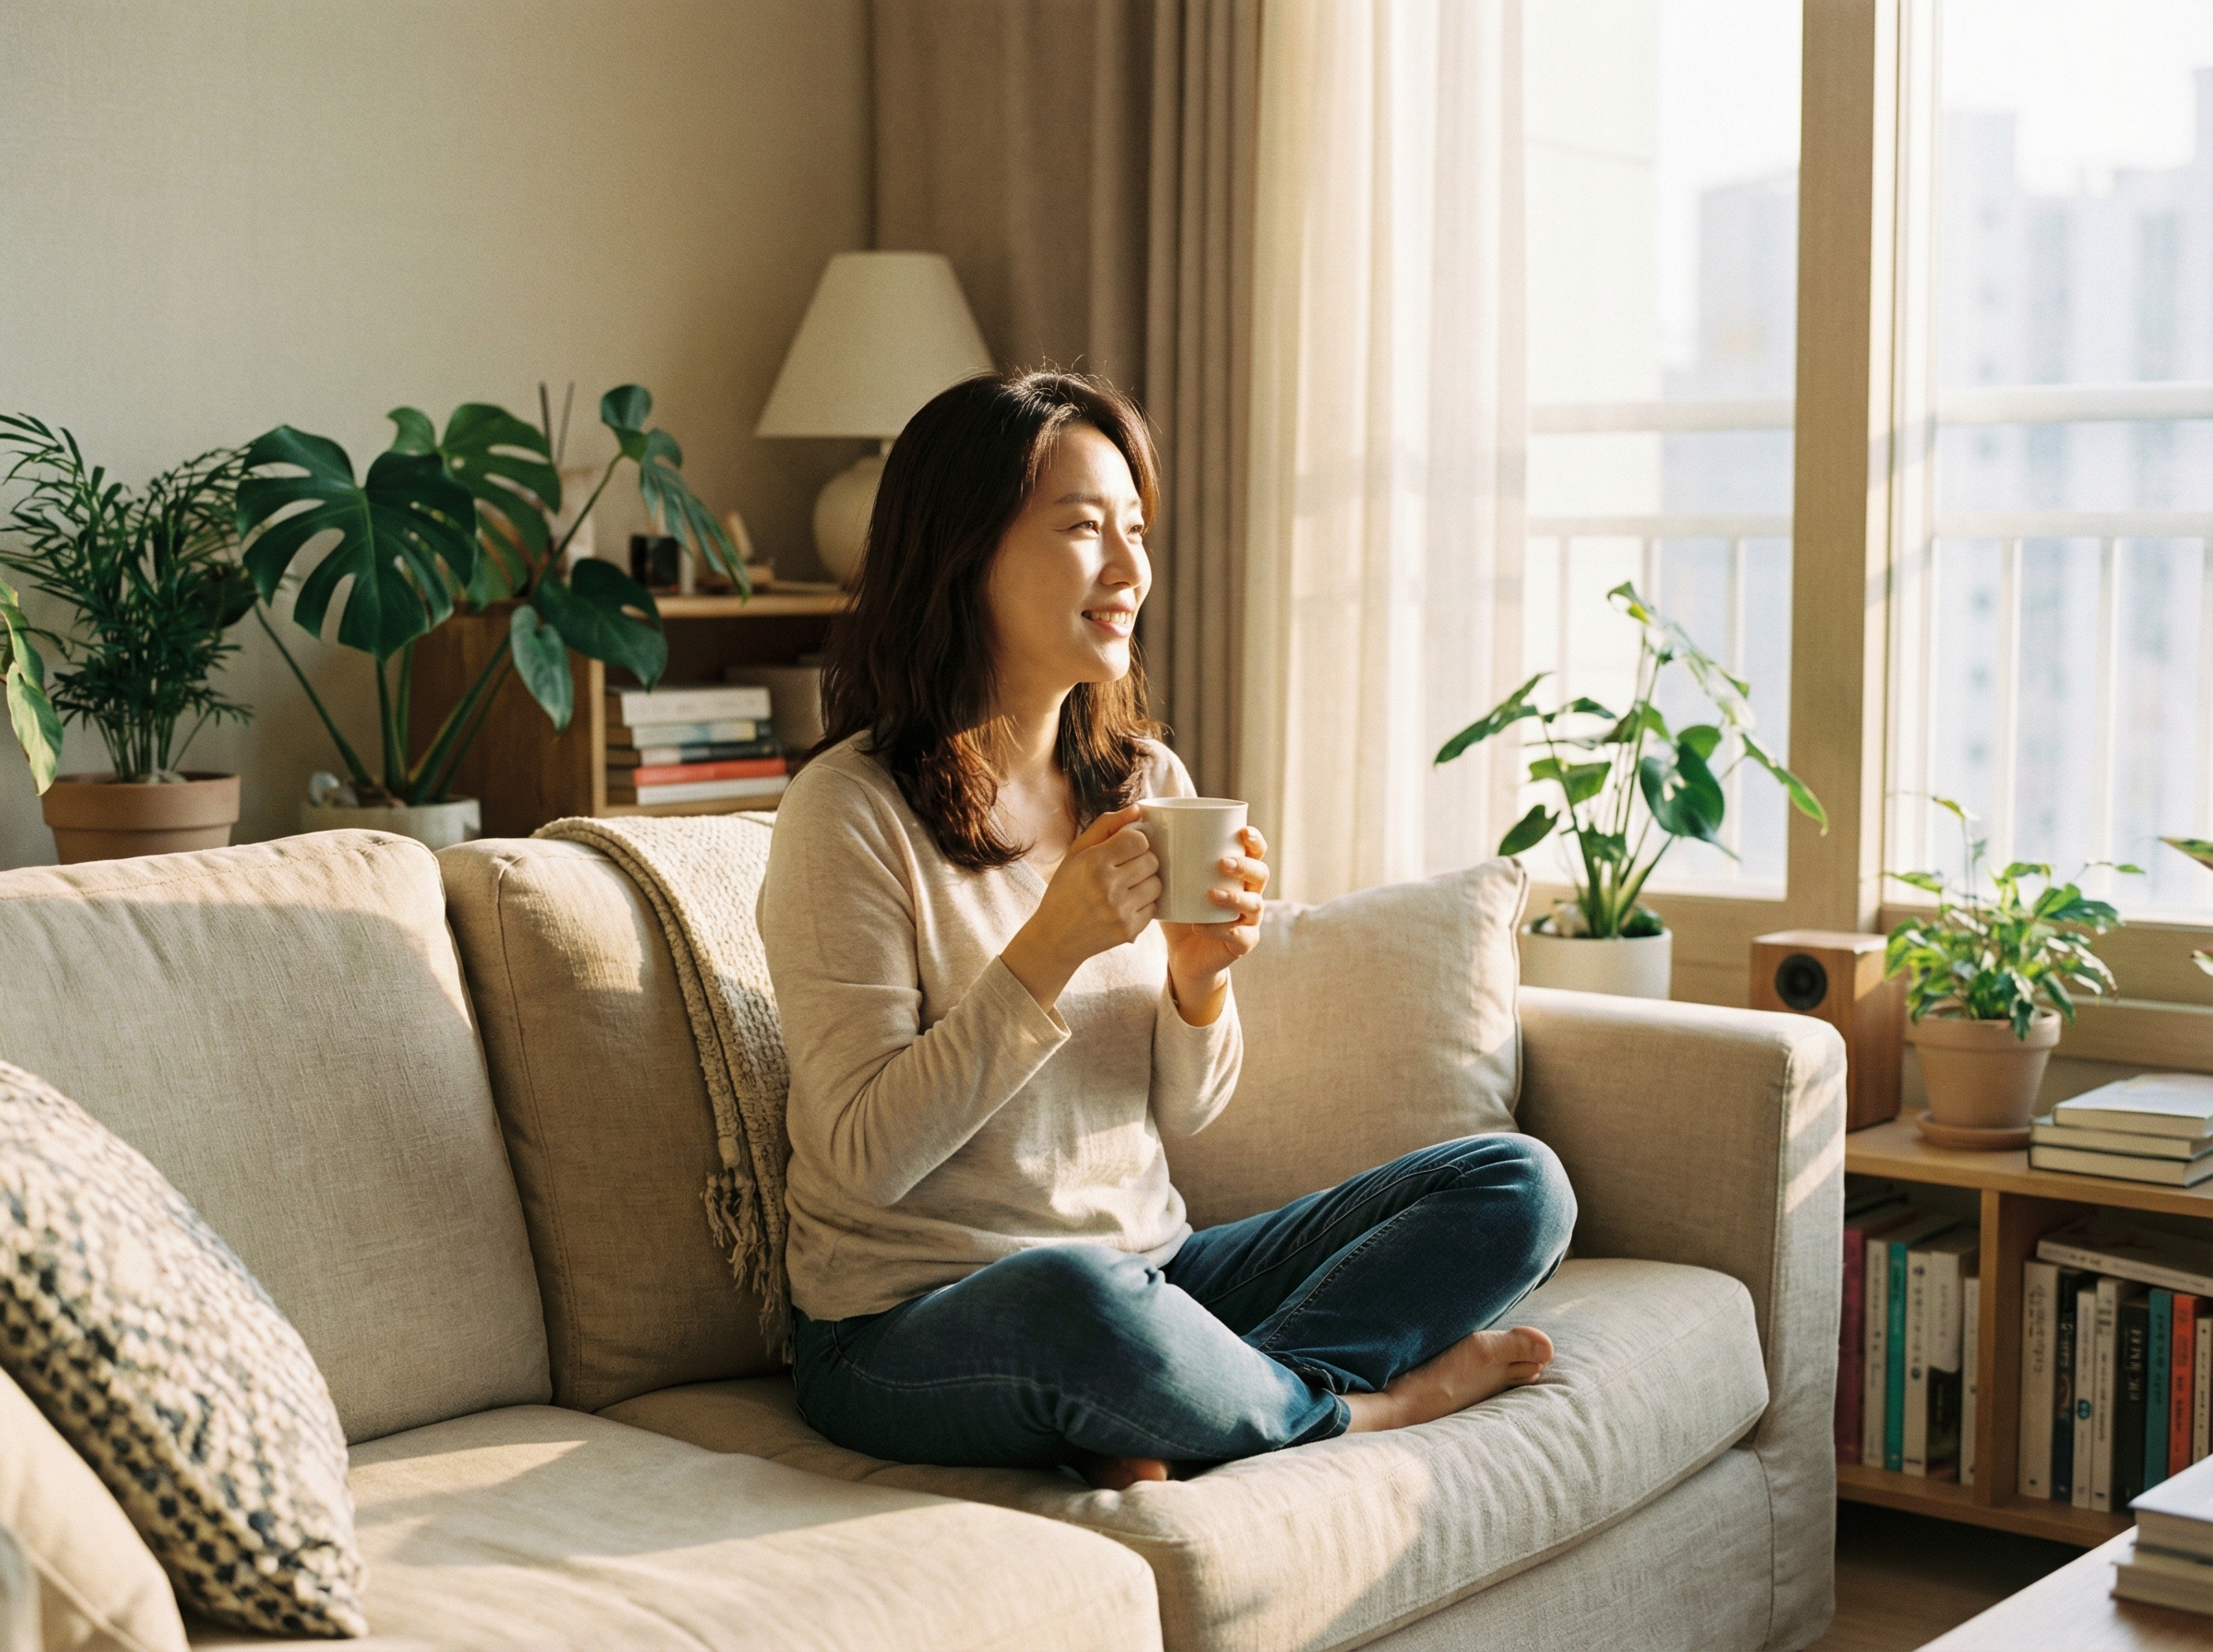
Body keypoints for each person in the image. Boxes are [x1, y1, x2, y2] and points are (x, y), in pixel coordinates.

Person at [757, 369, 1575, 1488]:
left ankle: (1182, 1399)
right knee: (1074, 1295)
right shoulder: (847, 813)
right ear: (963, 551)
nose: (1131, 570)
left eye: (1136, 530)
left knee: (1517, 1186)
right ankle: (1362, 1412)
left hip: (1155, 1272)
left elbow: (1185, 1112)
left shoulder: (1141, 782)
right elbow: (863, 1153)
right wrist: (1049, 947)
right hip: (909, 1322)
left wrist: (1201, 983)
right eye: (1085, 529)